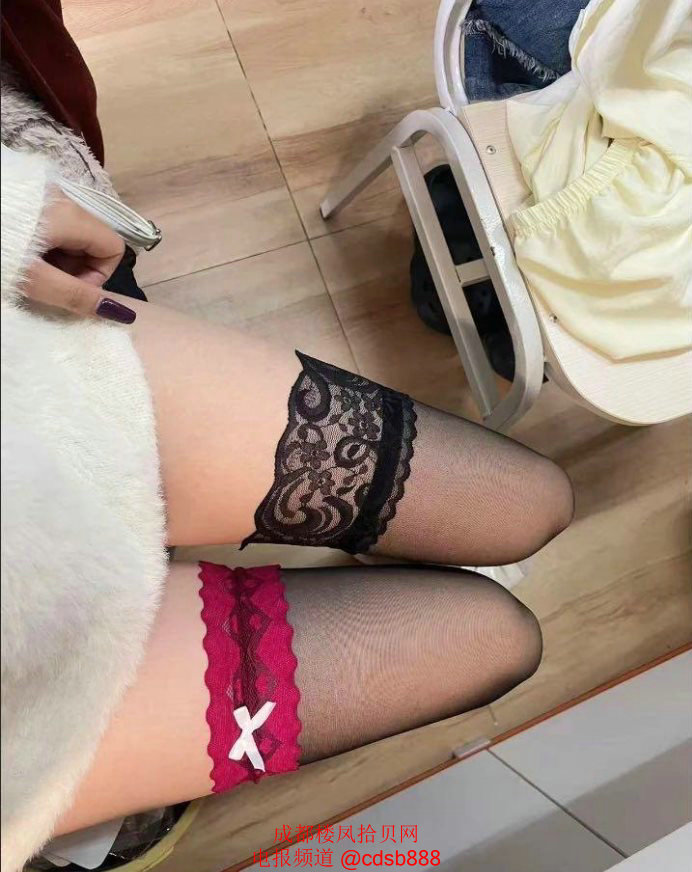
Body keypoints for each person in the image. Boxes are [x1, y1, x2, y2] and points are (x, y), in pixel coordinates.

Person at [0, 42, 574, 872]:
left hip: (24, 415)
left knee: (530, 501)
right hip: (22, 716)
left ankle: (333, 537)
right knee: (496, 637)